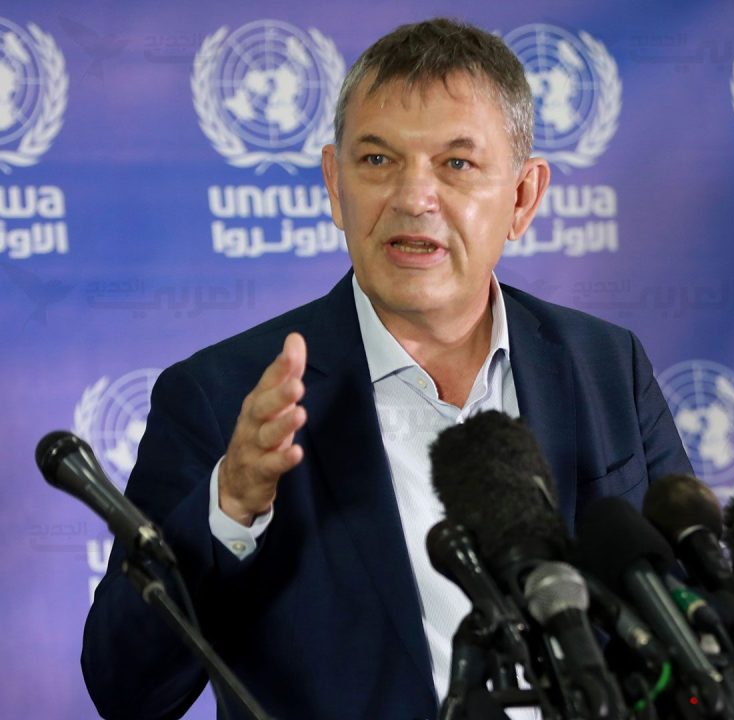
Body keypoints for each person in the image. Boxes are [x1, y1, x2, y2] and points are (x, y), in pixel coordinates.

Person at [82, 18, 692, 720]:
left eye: (456, 164)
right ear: (334, 184)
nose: (412, 197)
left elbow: (694, 629)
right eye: (377, 160)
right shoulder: (224, 397)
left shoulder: (607, 364)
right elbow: (127, 690)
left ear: (523, 197)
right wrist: (230, 507)